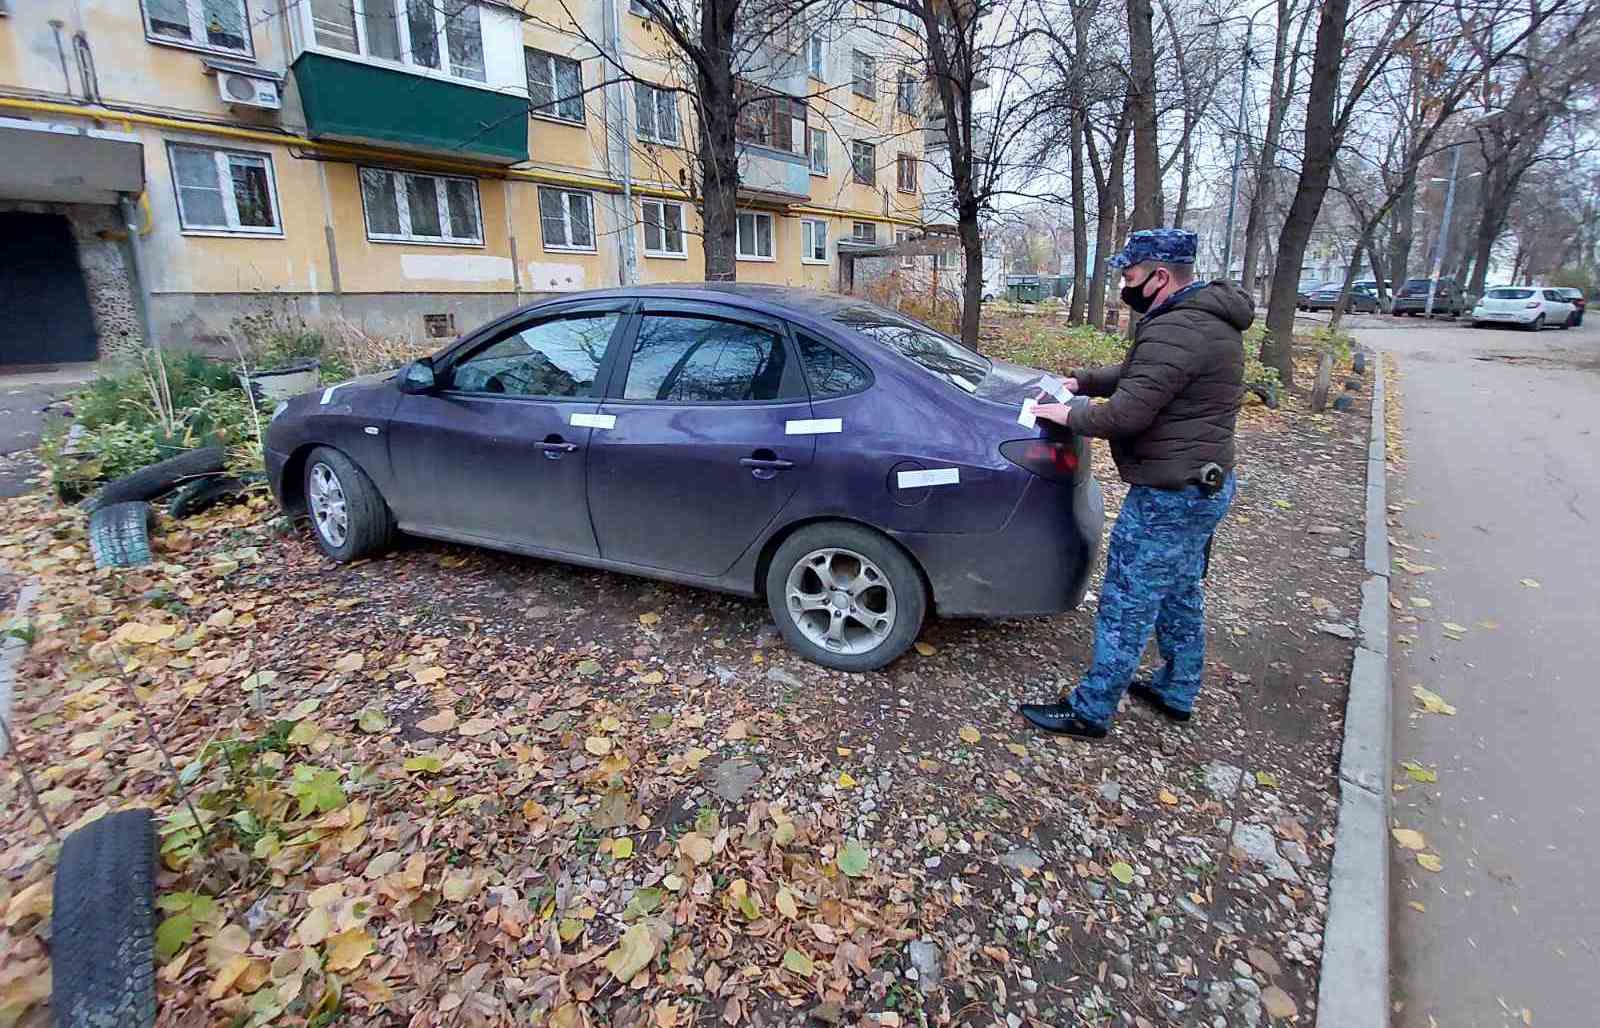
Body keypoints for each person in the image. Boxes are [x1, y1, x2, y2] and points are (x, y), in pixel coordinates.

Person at [1018, 228, 1253, 739]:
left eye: (1130, 275)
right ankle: (1178, 686)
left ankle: (1091, 709)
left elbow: (1126, 414)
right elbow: (1141, 372)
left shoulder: (1178, 328)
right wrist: (1084, 379)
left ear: (1160, 275)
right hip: (1203, 486)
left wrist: (1066, 410)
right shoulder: (1203, 318)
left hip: (1169, 496)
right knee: (1180, 591)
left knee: (1127, 600)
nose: (1125, 285)